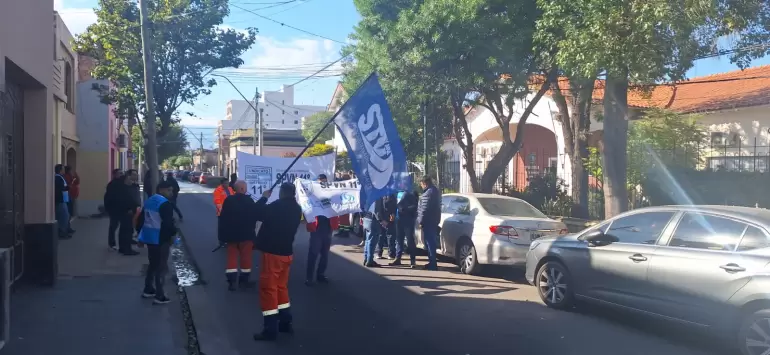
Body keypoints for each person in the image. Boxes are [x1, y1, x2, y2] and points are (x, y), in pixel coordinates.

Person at [252, 183, 302, 341]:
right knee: (281, 288)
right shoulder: (296, 208)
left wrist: (264, 198)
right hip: (286, 253)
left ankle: (270, 329)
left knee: (269, 290)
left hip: (272, 254)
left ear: (282, 192)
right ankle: (285, 322)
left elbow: (257, 213)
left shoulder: (277, 206)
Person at [136, 180, 177, 304]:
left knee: (153, 264)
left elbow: (141, 220)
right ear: (161, 190)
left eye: (172, 190)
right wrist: (173, 234)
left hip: (149, 237)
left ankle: (148, 289)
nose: (171, 192)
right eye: (169, 190)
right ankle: (160, 295)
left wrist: (140, 236)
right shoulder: (165, 204)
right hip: (161, 238)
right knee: (161, 267)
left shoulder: (149, 201)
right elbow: (168, 224)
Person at [217, 180, 253, 291]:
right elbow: (255, 215)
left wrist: (222, 236)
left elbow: (223, 218)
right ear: (242, 189)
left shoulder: (229, 200)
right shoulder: (249, 200)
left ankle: (231, 282)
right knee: (246, 258)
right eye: (245, 187)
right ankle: (244, 281)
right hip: (246, 235)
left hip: (231, 235)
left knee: (231, 257)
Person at [305, 174, 339, 286]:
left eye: (324, 182)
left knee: (325, 254)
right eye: (321, 183)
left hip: (328, 228)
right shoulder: (312, 195)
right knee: (313, 254)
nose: (322, 184)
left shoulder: (331, 195)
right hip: (316, 228)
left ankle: (320, 275)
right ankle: (309, 278)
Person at [362, 195, 394, 268]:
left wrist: (362, 216)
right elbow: (377, 211)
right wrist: (381, 221)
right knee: (372, 241)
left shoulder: (368, 195)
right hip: (373, 220)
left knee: (367, 240)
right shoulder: (377, 196)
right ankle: (369, 260)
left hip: (366, 217)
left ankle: (366, 258)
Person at [417, 176, 441, 270]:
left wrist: (420, 221)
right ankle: (432, 262)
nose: (421, 186)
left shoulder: (428, 193)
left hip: (428, 221)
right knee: (430, 242)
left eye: (421, 184)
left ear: (424, 183)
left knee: (430, 242)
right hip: (433, 220)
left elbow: (424, 209)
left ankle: (432, 263)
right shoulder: (434, 191)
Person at [391, 190, 419, 267]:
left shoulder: (411, 193)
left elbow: (415, 206)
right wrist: (393, 213)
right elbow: (394, 204)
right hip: (398, 219)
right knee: (399, 239)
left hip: (408, 220)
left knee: (410, 240)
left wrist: (404, 209)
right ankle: (398, 258)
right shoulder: (397, 192)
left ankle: (413, 260)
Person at [117, 170, 141, 256]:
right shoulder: (123, 187)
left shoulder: (133, 186)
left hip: (132, 211)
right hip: (126, 211)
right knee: (126, 230)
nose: (136, 176)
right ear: (128, 176)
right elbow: (122, 200)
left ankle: (123, 248)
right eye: (134, 175)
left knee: (127, 230)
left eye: (136, 174)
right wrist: (128, 209)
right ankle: (126, 249)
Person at [104, 169, 124, 249]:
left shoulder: (122, 183)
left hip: (122, 208)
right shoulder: (112, 184)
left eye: (122, 173)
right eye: (120, 173)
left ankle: (122, 243)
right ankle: (112, 243)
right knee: (113, 226)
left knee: (123, 226)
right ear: (115, 175)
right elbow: (109, 198)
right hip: (114, 209)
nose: (122, 175)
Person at [375, 194, 397, 260]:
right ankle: (381, 253)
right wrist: (381, 220)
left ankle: (389, 254)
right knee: (383, 236)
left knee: (388, 236)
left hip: (388, 219)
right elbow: (378, 208)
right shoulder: (382, 194)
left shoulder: (391, 194)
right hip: (384, 219)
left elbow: (394, 206)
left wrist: (393, 214)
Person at [54, 164, 73, 239]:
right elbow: (60, 188)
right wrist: (67, 187)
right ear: (60, 170)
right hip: (60, 201)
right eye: (63, 169)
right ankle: (62, 232)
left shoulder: (60, 177)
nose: (64, 170)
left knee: (65, 216)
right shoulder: (57, 178)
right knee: (64, 217)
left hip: (63, 200)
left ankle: (63, 231)